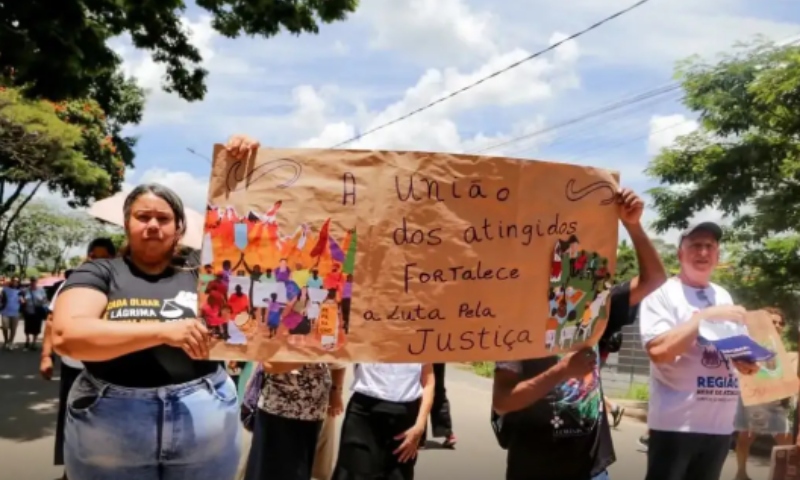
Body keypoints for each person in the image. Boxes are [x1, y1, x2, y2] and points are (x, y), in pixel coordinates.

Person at [52, 181, 248, 480]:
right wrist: (164, 332)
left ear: (179, 228)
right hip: (111, 421)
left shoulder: (202, 271)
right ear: (127, 224)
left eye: (164, 218)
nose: (153, 225)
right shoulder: (99, 272)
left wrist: (242, 166)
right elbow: (68, 336)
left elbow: (249, 228)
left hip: (204, 413)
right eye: (143, 217)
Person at [491, 188, 667, 480]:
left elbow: (655, 279)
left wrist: (632, 224)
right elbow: (503, 401)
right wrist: (561, 371)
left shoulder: (595, 305)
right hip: (533, 467)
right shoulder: (515, 319)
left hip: (591, 468)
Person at [639, 222, 760, 480]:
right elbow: (659, 352)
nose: (703, 252)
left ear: (717, 255)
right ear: (680, 254)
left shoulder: (723, 295)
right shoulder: (662, 293)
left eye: (710, 246)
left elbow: (735, 347)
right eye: (695, 246)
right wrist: (703, 317)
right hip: (676, 426)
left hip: (719, 426)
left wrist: (746, 362)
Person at [39, 237, 116, 480]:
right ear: (87, 256)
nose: (97, 261)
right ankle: (69, 472)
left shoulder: (120, 284)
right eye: (94, 256)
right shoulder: (72, 284)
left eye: (104, 257)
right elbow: (52, 321)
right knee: (72, 420)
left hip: (110, 369)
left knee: (107, 425)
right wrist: (45, 356)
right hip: (75, 367)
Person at [332, 363, 435, 480]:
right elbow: (335, 349)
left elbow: (428, 382)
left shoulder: (418, 345)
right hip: (363, 414)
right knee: (354, 473)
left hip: (403, 419)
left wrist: (420, 425)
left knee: (397, 475)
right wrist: (336, 390)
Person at [244, 362, 345, 480]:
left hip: (312, 413)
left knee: (298, 472)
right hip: (275, 409)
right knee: (264, 471)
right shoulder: (313, 351)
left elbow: (339, 362)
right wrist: (311, 355)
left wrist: (336, 391)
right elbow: (270, 366)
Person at [734, 306, 793, 480]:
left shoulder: (783, 348)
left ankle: (785, 474)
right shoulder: (752, 342)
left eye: (779, 322)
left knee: (785, 439)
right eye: (772, 321)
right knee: (745, 436)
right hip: (752, 396)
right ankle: (741, 473)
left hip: (775, 400)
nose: (776, 325)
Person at [419, 363, 457, 448]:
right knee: (438, 391)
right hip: (437, 354)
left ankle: (419, 437)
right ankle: (447, 433)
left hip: (419, 354)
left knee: (420, 391)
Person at [22, 276, 48, 349]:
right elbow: (22, 299)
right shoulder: (26, 290)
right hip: (28, 311)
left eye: (34, 281)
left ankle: (34, 342)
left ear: (37, 282)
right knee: (27, 326)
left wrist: (41, 300)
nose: (33, 282)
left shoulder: (41, 290)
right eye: (32, 281)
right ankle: (27, 339)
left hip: (37, 310)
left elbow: (45, 300)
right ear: (30, 282)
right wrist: (23, 301)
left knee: (36, 327)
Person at [1, 276, 22, 350]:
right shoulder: (5, 289)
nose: (15, 282)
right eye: (14, 280)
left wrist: (22, 300)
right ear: (11, 281)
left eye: (17, 281)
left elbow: (23, 301)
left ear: (18, 282)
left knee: (13, 329)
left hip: (16, 312)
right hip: (5, 311)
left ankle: (10, 342)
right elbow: (1, 298)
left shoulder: (20, 291)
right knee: (5, 327)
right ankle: (6, 341)